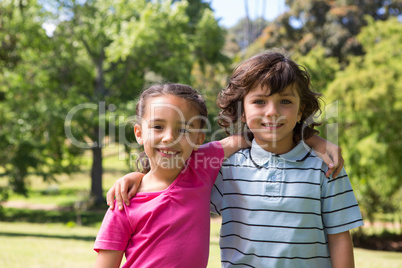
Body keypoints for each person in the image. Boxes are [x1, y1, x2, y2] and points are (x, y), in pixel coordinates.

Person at [107, 52, 362, 267]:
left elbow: (339, 238)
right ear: (242, 112)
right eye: (259, 102)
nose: (272, 112)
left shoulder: (326, 166)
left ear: (301, 112)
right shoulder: (222, 167)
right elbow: (171, 171)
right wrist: (137, 177)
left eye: (285, 101)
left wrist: (314, 140)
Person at [94, 83, 248, 268]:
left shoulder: (200, 167)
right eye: (158, 126)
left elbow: (245, 138)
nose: (169, 137)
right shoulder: (123, 201)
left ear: (199, 138)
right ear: (139, 133)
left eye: (183, 130)